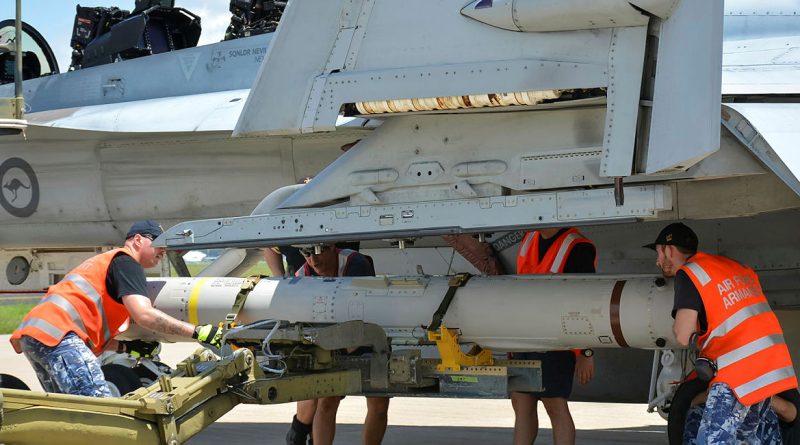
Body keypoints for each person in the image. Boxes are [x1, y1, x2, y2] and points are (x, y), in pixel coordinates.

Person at [9, 220, 224, 397]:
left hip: (36, 336)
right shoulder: (126, 262)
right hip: (59, 336)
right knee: (98, 405)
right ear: (138, 240)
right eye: (158, 243)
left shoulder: (106, 263)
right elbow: (144, 315)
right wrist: (197, 332)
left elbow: (92, 330)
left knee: (67, 407)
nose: (163, 250)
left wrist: (127, 348)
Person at [645, 222, 797, 444]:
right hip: (771, 368)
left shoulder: (688, 274)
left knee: (711, 440)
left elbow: (682, 335)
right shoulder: (733, 266)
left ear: (669, 249)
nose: (658, 261)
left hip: (737, 374)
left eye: (659, 252)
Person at [285, 244, 390, 445]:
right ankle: (298, 436)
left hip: (369, 333)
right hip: (331, 339)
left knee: (378, 404)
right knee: (327, 399)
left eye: (318, 253)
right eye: (307, 255)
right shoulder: (302, 275)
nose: (313, 261)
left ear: (332, 248)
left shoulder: (355, 264)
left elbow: (359, 306)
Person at [512, 227, 596, 445]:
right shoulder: (530, 237)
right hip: (524, 336)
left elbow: (586, 300)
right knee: (521, 402)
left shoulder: (578, 246)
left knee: (554, 405)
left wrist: (586, 351)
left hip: (557, 340)